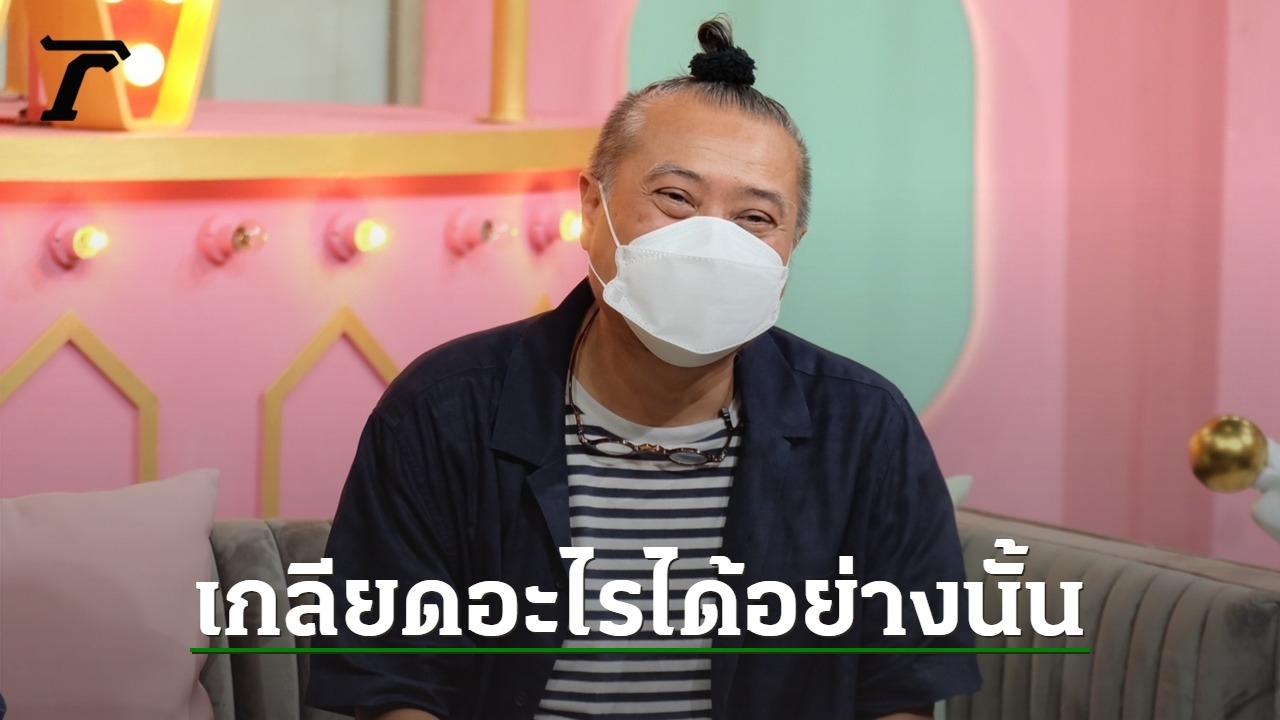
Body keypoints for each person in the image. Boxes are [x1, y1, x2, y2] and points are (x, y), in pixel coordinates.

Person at [307, 16, 981, 720]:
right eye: (676, 199)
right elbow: (391, 683)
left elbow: (902, 689)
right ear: (590, 207)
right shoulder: (444, 410)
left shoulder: (866, 429)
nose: (712, 241)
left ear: (792, 248)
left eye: (755, 218)